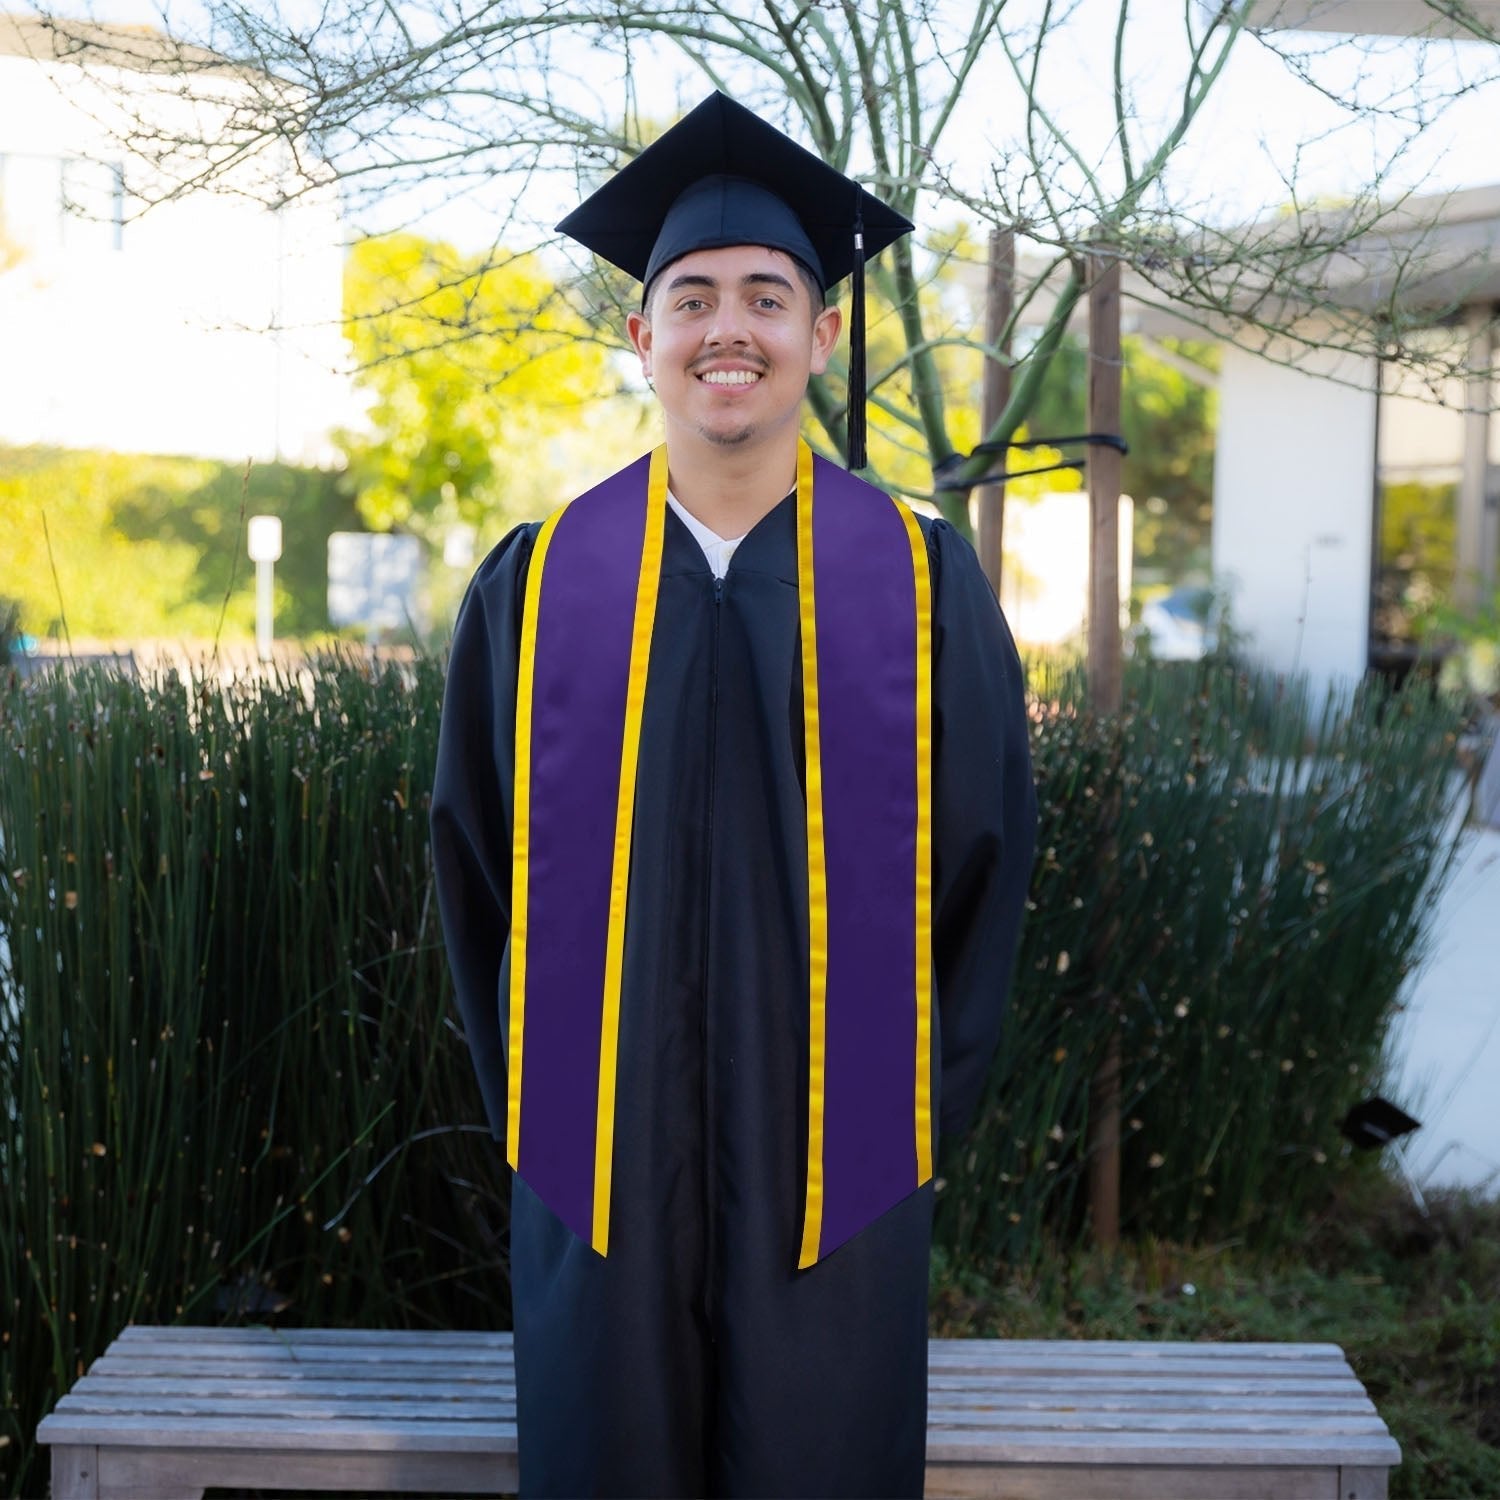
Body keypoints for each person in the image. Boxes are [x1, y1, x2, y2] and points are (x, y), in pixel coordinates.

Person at [430, 91, 1037, 1500]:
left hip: (838, 1177)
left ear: (821, 334)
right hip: (602, 1178)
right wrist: (548, 1122)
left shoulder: (922, 584)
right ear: (639, 335)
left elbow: (983, 876)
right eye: (691, 297)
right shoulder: (535, 586)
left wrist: (899, 1125)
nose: (730, 330)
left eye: (769, 296)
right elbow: (472, 878)